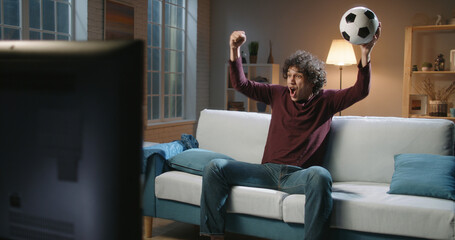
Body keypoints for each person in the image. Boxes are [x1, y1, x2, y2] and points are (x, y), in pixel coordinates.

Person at [200, 25, 381, 240]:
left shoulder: (327, 101)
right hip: (266, 172)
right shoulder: (278, 94)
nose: (291, 81)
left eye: (298, 76)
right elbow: (241, 84)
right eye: (289, 75)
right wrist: (234, 50)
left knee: (321, 175)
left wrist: (365, 52)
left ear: (313, 81)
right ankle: (213, 236)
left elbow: (361, 90)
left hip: (298, 176)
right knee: (215, 167)